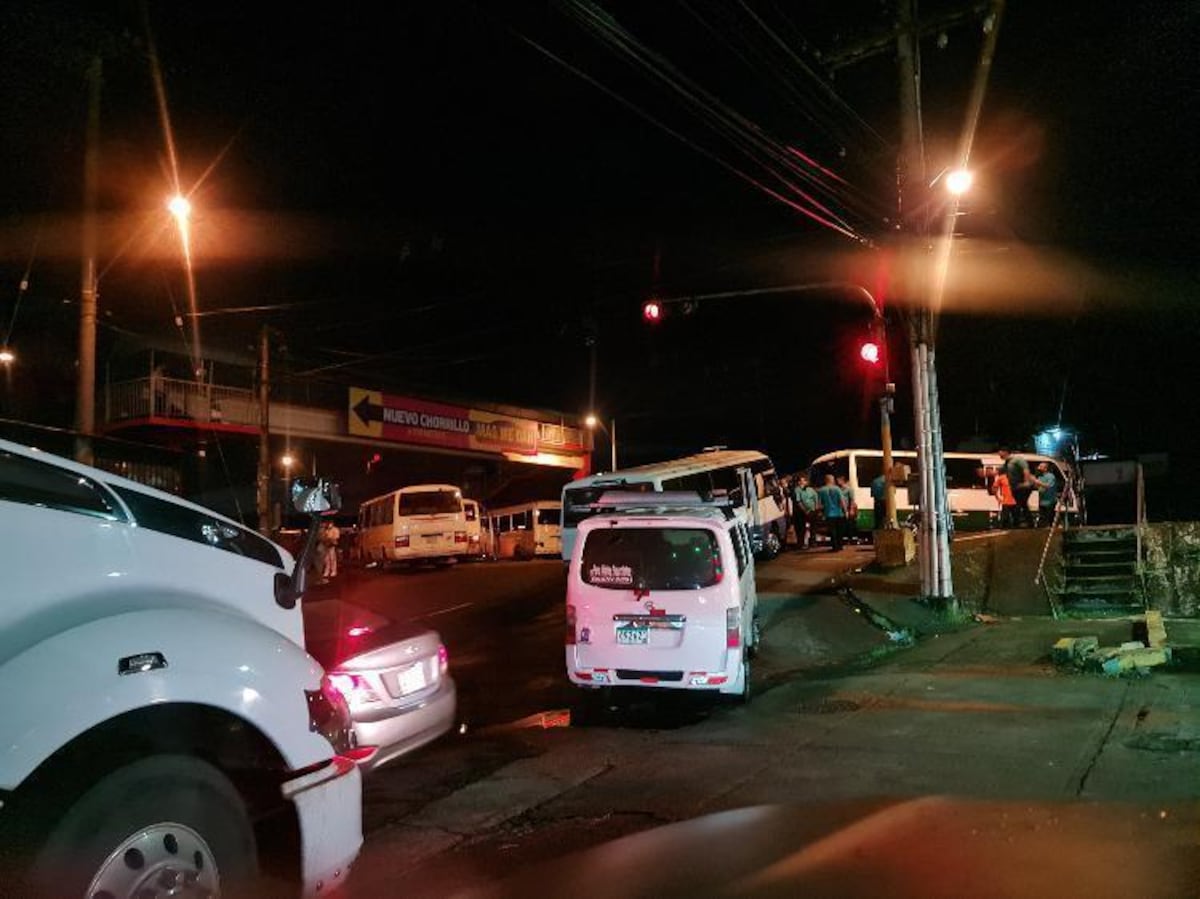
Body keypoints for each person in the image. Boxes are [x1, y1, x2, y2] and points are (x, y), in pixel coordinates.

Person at [998, 447, 1036, 528]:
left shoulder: (1017, 459)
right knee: (1022, 504)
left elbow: (1026, 469)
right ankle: (1028, 523)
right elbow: (1001, 471)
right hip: (1015, 487)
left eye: (1000, 452)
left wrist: (1026, 482)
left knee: (1019, 504)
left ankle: (1018, 523)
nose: (999, 454)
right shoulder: (1007, 463)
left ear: (1005, 452)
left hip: (1022, 486)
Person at [817, 473, 848, 552]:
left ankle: (834, 547)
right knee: (839, 530)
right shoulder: (837, 489)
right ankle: (840, 545)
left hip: (829, 513)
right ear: (832, 480)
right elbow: (842, 501)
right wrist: (845, 511)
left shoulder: (821, 490)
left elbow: (819, 504)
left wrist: (820, 512)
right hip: (839, 513)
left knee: (832, 531)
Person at [791, 474, 820, 549]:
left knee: (813, 527)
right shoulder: (797, 490)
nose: (802, 482)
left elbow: (815, 497)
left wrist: (816, 506)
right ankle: (801, 543)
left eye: (804, 480)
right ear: (798, 482)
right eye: (800, 481)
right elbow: (799, 501)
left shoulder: (810, 489)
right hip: (802, 512)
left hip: (812, 510)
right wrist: (805, 510)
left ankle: (813, 542)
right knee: (801, 528)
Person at [1034, 461, 1060, 527]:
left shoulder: (1051, 476)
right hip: (1042, 501)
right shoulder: (1040, 476)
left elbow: (1049, 486)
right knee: (1042, 518)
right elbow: (1037, 487)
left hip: (1050, 501)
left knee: (1050, 517)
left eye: (1040, 466)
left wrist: (1039, 483)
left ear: (1045, 468)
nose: (1038, 468)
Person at [836, 475, 859, 543]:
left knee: (849, 524)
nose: (837, 481)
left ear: (842, 480)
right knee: (841, 524)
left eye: (839, 480)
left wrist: (851, 509)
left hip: (848, 508)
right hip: (840, 508)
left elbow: (851, 499)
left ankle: (850, 538)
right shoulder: (838, 489)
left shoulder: (849, 489)